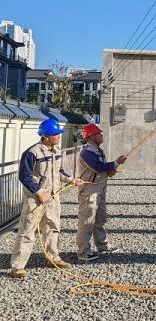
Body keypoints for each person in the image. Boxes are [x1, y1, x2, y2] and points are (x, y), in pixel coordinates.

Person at [9, 119, 83, 278]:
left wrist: (70, 179)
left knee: (53, 227)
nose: (59, 136)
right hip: (35, 200)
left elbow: (59, 172)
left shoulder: (56, 151)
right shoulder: (32, 152)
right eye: (57, 134)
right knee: (27, 231)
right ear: (47, 136)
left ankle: (53, 258)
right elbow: (25, 176)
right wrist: (39, 192)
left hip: (53, 197)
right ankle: (17, 266)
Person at [76, 124, 127, 261]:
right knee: (87, 222)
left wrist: (112, 168)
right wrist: (116, 162)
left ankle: (102, 245)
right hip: (89, 192)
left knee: (99, 220)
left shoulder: (97, 150)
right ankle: (83, 251)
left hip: (100, 190)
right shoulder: (87, 152)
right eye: (99, 134)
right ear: (92, 136)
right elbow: (98, 167)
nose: (102, 136)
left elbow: (102, 169)